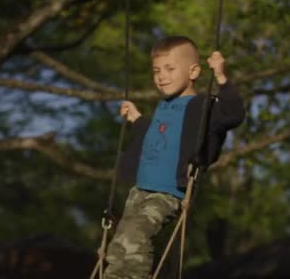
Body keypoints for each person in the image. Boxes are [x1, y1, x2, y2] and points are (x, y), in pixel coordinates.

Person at [103, 35, 246, 279]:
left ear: (193, 72)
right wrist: (137, 118)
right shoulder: (163, 106)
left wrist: (221, 77)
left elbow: (234, 115)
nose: (161, 76)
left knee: (136, 235)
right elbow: (158, 136)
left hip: (166, 193)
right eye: (156, 70)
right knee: (118, 246)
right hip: (139, 190)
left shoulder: (202, 106)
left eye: (170, 69)